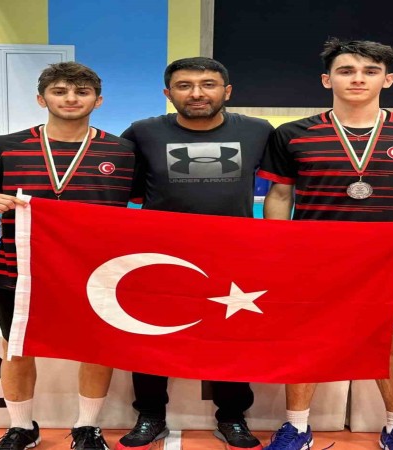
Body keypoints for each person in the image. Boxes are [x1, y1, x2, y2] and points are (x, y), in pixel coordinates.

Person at [258, 39, 393, 450]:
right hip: (315, 259)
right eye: (346, 70)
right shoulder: (293, 134)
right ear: (327, 79)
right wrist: (277, 248)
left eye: (370, 71)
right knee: (306, 339)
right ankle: (297, 427)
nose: (358, 79)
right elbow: (280, 195)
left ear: (387, 79)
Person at [0, 61, 136, 450]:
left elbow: (146, 207)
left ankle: (87, 427)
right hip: (18, 269)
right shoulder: (3, 147)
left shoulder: (123, 151)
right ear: (41, 99)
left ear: (98, 100)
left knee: (96, 349)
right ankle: (21, 427)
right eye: (60, 91)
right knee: (17, 349)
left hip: (95, 271)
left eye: (82, 92)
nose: (71, 99)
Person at [115, 57, 274, 450]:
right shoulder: (142, 132)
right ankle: (150, 415)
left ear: (227, 91)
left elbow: (283, 187)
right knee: (152, 337)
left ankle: (232, 416)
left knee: (230, 339)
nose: (197, 93)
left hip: (233, 256)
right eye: (184, 85)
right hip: (160, 257)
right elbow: (121, 191)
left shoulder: (258, 131)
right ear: (168, 93)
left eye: (208, 84)